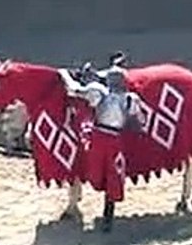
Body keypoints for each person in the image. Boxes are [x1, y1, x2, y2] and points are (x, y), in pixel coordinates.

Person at [58, 58, 142, 231]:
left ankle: (95, 207)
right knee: (113, 175)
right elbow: (140, 120)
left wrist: (63, 74)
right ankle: (108, 217)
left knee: (95, 170)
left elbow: (74, 90)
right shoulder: (130, 99)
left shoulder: (99, 92)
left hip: (98, 138)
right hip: (116, 140)